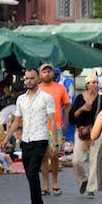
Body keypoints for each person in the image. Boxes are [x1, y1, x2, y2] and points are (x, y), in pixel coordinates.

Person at [0, 68, 59, 204]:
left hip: (40, 139)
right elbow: (16, 122)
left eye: (31, 78)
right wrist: (6, 138)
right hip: (26, 140)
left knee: (33, 172)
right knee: (29, 175)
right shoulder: (21, 99)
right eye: (26, 79)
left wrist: (55, 142)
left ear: (38, 79)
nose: (28, 81)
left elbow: (52, 121)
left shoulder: (47, 98)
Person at [70, 74, 102, 199]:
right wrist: (81, 109)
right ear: (87, 85)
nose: (95, 85)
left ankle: (91, 188)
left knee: (94, 161)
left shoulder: (101, 99)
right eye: (92, 82)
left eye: (96, 82)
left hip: (96, 133)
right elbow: (72, 116)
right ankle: (83, 179)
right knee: (76, 161)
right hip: (81, 132)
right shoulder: (80, 98)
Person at [38, 64, 70, 196]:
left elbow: (67, 106)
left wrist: (65, 122)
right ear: (40, 75)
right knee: (43, 157)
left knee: (54, 155)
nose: (46, 74)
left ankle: (55, 182)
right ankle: (46, 184)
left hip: (56, 127)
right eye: (44, 72)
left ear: (53, 74)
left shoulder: (60, 88)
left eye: (48, 71)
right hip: (40, 126)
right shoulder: (37, 89)